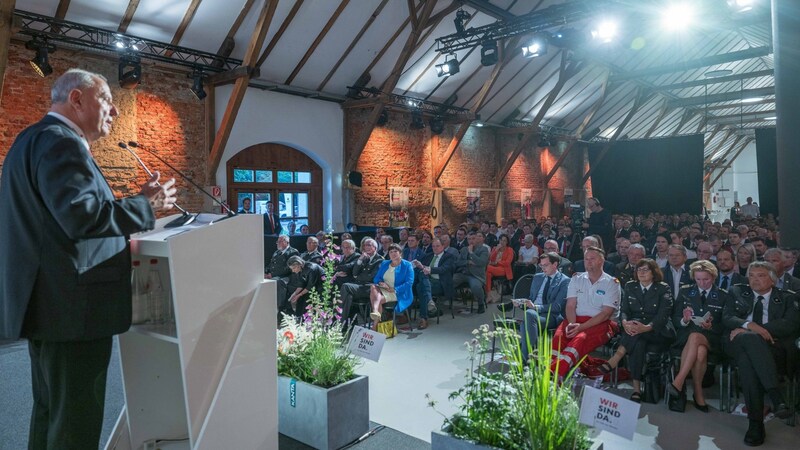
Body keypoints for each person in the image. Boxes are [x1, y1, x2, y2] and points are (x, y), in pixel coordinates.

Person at [0, 68, 177, 448]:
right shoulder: (61, 142)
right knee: (75, 424)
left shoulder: (31, 140)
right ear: (76, 99)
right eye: (107, 101)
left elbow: (64, 217)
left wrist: (132, 203)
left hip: (49, 306)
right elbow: (81, 216)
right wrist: (145, 205)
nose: (113, 111)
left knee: (51, 413)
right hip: (72, 311)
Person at [723, 261, 798, 446]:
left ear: (772, 280)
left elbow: (790, 324)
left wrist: (753, 329)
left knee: (748, 362)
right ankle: (775, 396)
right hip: (736, 343)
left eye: (761, 275)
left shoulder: (788, 297)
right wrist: (750, 326)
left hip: (773, 348)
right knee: (750, 340)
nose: (755, 280)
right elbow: (727, 317)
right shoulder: (736, 291)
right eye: (752, 275)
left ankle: (755, 425)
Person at [600, 259, 674, 402]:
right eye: (639, 270)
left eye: (645, 270)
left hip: (657, 330)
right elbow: (624, 310)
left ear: (654, 273)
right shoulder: (630, 286)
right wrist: (625, 323)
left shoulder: (663, 288)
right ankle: (636, 390)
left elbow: (663, 315)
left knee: (638, 334)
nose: (641, 273)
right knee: (638, 341)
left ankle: (616, 358)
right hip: (635, 329)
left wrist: (646, 327)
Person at [668, 260, 730, 413]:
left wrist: (712, 326)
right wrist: (685, 319)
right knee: (700, 351)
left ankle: (678, 381)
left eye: (706, 279)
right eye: (698, 279)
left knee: (697, 338)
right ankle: (698, 393)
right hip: (686, 337)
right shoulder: (685, 291)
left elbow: (726, 324)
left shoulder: (723, 295)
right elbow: (674, 318)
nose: (702, 283)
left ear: (714, 277)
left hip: (713, 338)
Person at [551, 246, 620, 380]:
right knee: (559, 337)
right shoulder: (577, 279)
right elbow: (570, 305)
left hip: (601, 323)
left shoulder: (612, 283)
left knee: (579, 339)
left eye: (592, 259)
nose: (588, 262)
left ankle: (555, 374)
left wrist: (580, 328)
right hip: (575, 319)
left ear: (602, 261)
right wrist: (572, 324)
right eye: (586, 259)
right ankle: (552, 368)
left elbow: (606, 314)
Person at [518, 253, 570, 361]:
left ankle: (526, 357)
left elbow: (557, 307)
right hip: (532, 314)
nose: (542, 268)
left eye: (545, 265)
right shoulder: (538, 277)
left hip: (551, 315)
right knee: (527, 320)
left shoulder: (564, 281)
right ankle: (530, 358)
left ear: (555, 264)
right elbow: (531, 297)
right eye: (541, 266)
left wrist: (535, 307)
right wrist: (522, 303)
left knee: (528, 316)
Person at [413, 238, 455, 329]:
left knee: (420, 286)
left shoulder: (449, 256)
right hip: (428, 281)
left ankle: (424, 316)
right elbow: (422, 269)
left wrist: (429, 269)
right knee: (421, 280)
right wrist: (421, 266)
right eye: (433, 246)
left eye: (437, 246)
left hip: (440, 283)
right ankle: (428, 305)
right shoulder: (428, 256)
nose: (435, 248)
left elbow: (443, 269)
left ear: (443, 246)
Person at [339, 239, 383, 324]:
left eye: (369, 245)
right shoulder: (365, 258)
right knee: (348, 296)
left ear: (375, 247)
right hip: (360, 286)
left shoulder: (379, 260)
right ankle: (345, 324)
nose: (367, 247)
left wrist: (358, 276)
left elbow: (371, 277)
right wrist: (360, 259)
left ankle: (340, 322)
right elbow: (354, 272)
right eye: (365, 245)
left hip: (370, 288)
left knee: (345, 286)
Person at [370, 244, 414, 328]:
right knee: (373, 287)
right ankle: (375, 312)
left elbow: (409, 283)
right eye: (391, 252)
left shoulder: (407, 265)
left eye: (395, 251)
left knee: (376, 299)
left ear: (400, 253)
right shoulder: (385, 263)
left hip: (398, 292)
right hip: (384, 289)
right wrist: (381, 283)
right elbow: (376, 278)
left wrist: (394, 289)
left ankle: (375, 326)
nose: (393, 254)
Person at [453, 231, 490, 314]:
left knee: (475, 286)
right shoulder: (464, 249)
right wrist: (467, 262)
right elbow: (457, 263)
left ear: (477, 239)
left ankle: (481, 304)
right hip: (463, 274)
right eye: (469, 239)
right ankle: (446, 300)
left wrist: (471, 253)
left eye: (473, 238)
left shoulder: (483, 249)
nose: (471, 241)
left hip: (476, 275)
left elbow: (482, 262)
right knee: (449, 281)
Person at [265, 234, 300, 310]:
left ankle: (280, 307)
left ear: (286, 242)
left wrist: (273, 274)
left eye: (279, 241)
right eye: (277, 241)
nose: (277, 243)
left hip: (286, 277)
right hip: (273, 275)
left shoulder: (293, 252)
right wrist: (266, 272)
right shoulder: (277, 252)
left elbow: (289, 268)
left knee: (276, 282)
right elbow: (271, 264)